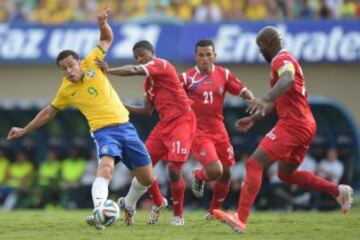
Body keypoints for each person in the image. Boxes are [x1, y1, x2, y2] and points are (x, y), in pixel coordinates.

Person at [7, 8, 155, 230]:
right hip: (103, 132)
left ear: (78, 61)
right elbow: (49, 111)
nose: (69, 71)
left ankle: (128, 203)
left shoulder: (92, 62)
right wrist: (25, 129)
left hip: (126, 127)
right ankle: (99, 211)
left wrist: (102, 22)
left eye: (71, 65)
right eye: (64, 69)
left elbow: (106, 38)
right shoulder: (65, 90)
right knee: (106, 168)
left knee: (147, 179)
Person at [213, 26, 353, 233]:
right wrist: (254, 119)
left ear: (266, 44)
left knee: (253, 163)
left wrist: (264, 97)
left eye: (260, 48)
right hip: (306, 124)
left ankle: (240, 219)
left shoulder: (281, 59)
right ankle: (337, 191)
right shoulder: (284, 60)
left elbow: (286, 80)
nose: (261, 54)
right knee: (286, 174)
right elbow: (279, 101)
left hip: (293, 124)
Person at [96, 40, 196, 226]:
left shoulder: (162, 65)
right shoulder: (149, 84)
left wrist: (109, 71)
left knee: (174, 171)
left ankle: (178, 215)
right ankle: (158, 202)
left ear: (152, 52)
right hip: (164, 124)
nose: (140, 59)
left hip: (183, 120)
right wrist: (122, 105)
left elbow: (134, 70)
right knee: (144, 166)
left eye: (142, 55)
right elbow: (146, 110)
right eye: (136, 57)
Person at [179, 39, 253, 219]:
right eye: (201, 55)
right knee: (215, 171)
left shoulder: (224, 74)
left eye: (208, 54)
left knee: (226, 174)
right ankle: (198, 175)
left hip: (219, 130)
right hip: (198, 132)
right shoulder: (186, 78)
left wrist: (252, 101)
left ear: (215, 56)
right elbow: (172, 98)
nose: (205, 58)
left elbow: (242, 90)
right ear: (195, 57)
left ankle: (213, 212)